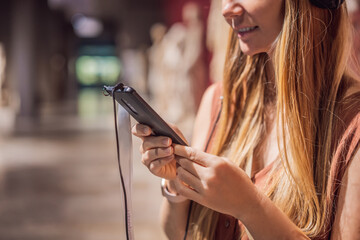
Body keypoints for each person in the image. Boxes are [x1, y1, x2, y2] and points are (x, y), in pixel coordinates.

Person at [133, 0, 360, 239]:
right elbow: (178, 233)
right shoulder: (218, 103)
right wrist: (176, 183)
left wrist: (250, 207)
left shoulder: (351, 126)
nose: (226, 9)